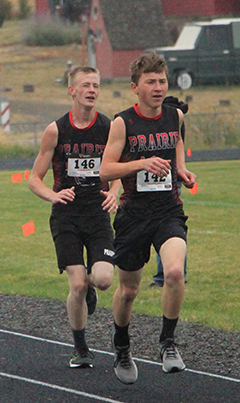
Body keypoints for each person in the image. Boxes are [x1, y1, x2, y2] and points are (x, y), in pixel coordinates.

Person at [100, 52, 197, 384]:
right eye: (151, 82)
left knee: (174, 272)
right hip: (133, 216)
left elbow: (177, 140)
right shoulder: (122, 123)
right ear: (135, 87)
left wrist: (181, 169)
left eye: (162, 81)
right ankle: (122, 345)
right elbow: (105, 170)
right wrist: (141, 163)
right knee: (129, 290)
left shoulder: (174, 116)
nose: (158, 87)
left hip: (168, 211)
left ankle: (167, 343)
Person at [29, 66, 120, 368]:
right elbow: (34, 179)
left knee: (103, 279)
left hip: (97, 214)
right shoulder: (56, 130)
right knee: (77, 284)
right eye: (86, 85)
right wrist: (52, 195)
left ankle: (91, 285)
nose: (92, 90)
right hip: (66, 216)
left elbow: (122, 168)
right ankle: (80, 348)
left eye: (96, 85)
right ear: (72, 91)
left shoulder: (109, 128)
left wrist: (115, 191)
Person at [151, 96, 188, 288]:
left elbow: (177, 145)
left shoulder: (172, 120)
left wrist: (180, 170)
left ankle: (166, 275)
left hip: (167, 181)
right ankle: (169, 274)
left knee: (168, 229)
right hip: (160, 179)